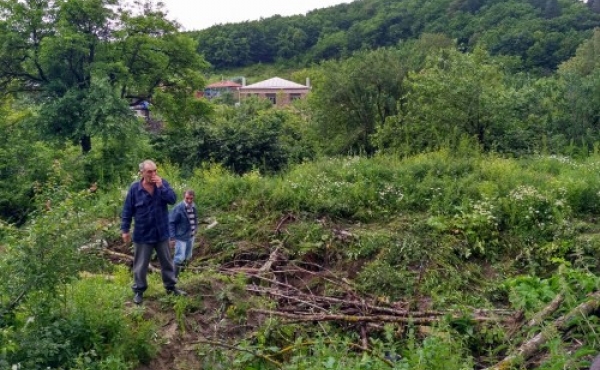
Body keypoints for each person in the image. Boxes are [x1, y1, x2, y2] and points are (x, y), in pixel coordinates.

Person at [121, 160, 186, 305]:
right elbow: (127, 210)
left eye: (155, 171)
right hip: (143, 234)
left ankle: (171, 287)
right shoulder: (134, 189)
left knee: (167, 262)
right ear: (142, 173)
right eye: (150, 171)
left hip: (161, 232)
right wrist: (125, 230)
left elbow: (172, 199)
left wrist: (161, 186)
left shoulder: (163, 184)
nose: (153, 174)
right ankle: (139, 291)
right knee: (140, 265)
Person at [169, 189, 198, 277]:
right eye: (187, 198)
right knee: (179, 257)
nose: (189, 200)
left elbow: (195, 218)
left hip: (191, 236)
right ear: (184, 197)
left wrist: (196, 228)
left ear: (193, 198)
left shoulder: (194, 206)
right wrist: (172, 238)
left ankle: (183, 276)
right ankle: (173, 279)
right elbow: (171, 222)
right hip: (180, 236)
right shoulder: (178, 208)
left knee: (188, 256)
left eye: (191, 199)